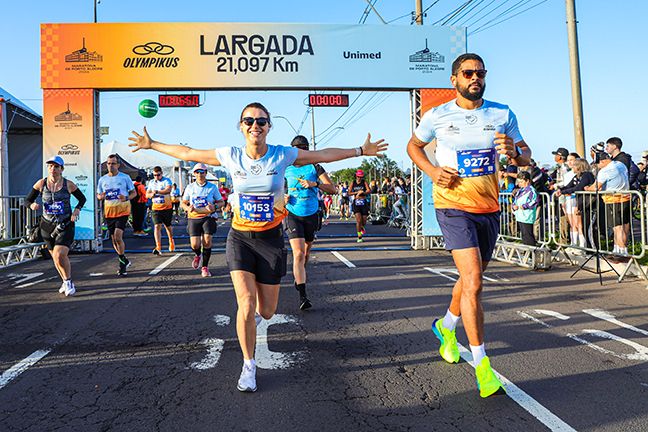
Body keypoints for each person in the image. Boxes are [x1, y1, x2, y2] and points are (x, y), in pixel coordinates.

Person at [128, 102, 387, 393]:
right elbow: (188, 153)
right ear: (241, 126)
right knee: (246, 304)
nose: (255, 126)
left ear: (269, 126)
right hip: (239, 239)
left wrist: (360, 151)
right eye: (249, 120)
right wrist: (152, 145)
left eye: (261, 121)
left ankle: (254, 327)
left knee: (266, 310)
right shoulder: (230, 155)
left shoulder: (282, 155)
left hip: (271, 240)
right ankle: (248, 366)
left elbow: (322, 154)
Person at [406, 53, 531, 398]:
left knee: (468, 278)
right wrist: (432, 172)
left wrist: (515, 153)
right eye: (467, 73)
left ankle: (446, 327)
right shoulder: (438, 115)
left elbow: (526, 155)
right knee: (475, 281)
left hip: (488, 207)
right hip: (452, 206)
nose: (475, 77)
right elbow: (413, 146)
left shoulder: (502, 114)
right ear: (454, 79)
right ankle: (482, 366)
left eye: (480, 72)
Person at [284, 135, 338, 310]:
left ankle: (299, 276)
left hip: (311, 214)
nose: (302, 152)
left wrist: (314, 184)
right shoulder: (285, 167)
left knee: (306, 254)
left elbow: (333, 189)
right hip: (292, 214)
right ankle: (303, 295)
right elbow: (273, 188)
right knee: (298, 254)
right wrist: (281, 197)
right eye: (299, 149)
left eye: (305, 148)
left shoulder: (315, 166)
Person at [24, 156, 86, 296]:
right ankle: (65, 281)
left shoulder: (68, 184)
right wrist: (32, 205)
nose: (53, 169)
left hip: (65, 224)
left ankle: (69, 282)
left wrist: (77, 209)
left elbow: (82, 198)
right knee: (55, 258)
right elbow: (27, 200)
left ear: (61, 169)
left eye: (56, 167)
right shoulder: (41, 183)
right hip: (47, 225)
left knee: (60, 254)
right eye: (50, 166)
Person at [585, 151, 631, 257]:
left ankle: (622, 252)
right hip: (626, 197)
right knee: (625, 226)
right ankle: (618, 249)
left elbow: (595, 187)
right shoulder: (621, 165)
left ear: (603, 161)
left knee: (617, 227)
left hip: (612, 200)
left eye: (598, 164)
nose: (598, 166)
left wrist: (587, 188)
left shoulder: (605, 171)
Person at [182, 163, 224, 277]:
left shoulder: (212, 187)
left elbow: (221, 202)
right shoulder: (190, 187)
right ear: (194, 174)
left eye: (202, 172)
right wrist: (187, 208)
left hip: (208, 217)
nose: (200, 174)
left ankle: (205, 267)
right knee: (195, 245)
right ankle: (197, 255)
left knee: (207, 241)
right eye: (197, 172)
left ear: (206, 173)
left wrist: (214, 207)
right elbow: (183, 202)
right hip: (194, 218)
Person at [97, 154, 136, 276]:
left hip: (122, 211)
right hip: (109, 212)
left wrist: (125, 198)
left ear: (118, 165)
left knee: (118, 236)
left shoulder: (125, 177)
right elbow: (99, 195)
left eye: (113, 163)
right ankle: (123, 259)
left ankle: (121, 264)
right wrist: (101, 196)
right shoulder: (102, 179)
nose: (110, 166)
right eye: (108, 163)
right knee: (113, 239)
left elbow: (134, 193)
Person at [555, 158, 595, 249]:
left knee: (580, 225)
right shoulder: (577, 176)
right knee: (574, 224)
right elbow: (569, 186)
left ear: (579, 166)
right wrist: (560, 190)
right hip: (579, 202)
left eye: (575, 165)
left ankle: (583, 246)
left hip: (586, 203)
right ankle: (574, 244)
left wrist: (563, 192)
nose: (572, 166)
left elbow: (578, 188)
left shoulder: (587, 175)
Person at [146, 166, 176, 255]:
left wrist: (157, 192)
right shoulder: (151, 183)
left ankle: (171, 239)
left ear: (161, 173)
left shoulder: (167, 180)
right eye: (154, 175)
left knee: (168, 226)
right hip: (156, 208)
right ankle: (158, 246)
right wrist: (151, 195)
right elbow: (147, 194)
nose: (156, 177)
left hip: (166, 207)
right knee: (156, 226)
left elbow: (168, 190)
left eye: (158, 175)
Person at [512, 171, 538, 246]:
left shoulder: (531, 190)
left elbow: (533, 201)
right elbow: (516, 200)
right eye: (519, 182)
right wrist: (514, 206)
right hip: (520, 216)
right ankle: (527, 252)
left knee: (528, 236)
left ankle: (532, 254)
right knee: (524, 235)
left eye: (521, 182)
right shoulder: (520, 190)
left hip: (527, 216)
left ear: (527, 181)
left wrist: (523, 206)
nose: (520, 184)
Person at [350, 169, 370, 242]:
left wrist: (363, 192)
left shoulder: (364, 182)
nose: (359, 178)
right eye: (358, 177)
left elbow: (369, 190)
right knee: (358, 220)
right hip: (356, 202)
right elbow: (349, 193)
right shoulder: (353, 183)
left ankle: (361, 227)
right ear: (356, 176)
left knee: (364, 220)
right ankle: (359, 236)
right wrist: (356, 193)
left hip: (363, 202)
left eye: (361, 177)